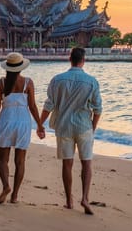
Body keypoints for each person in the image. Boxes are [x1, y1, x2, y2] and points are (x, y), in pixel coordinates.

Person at [37, 47, 103, 215]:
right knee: (86, 163)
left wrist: (40, 124)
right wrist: (93, 127)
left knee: (67, 163)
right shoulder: (91, 81)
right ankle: (85, 198)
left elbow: (49, 105)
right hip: (83, 126)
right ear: (83, 60)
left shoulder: (57, 80)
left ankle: (69, 200)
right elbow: (98, 109)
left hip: (64, 126)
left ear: (69, 59)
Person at [0, 52, 43, 204]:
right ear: (21, 68)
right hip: (23, 121)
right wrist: (39, 125)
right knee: (20, 161)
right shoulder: (28, 83)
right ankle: (14, 196)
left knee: (2, 160)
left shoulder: (1, 83)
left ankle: (6, 186)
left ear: (7, 67)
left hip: (6, 119)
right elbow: (32, 106)